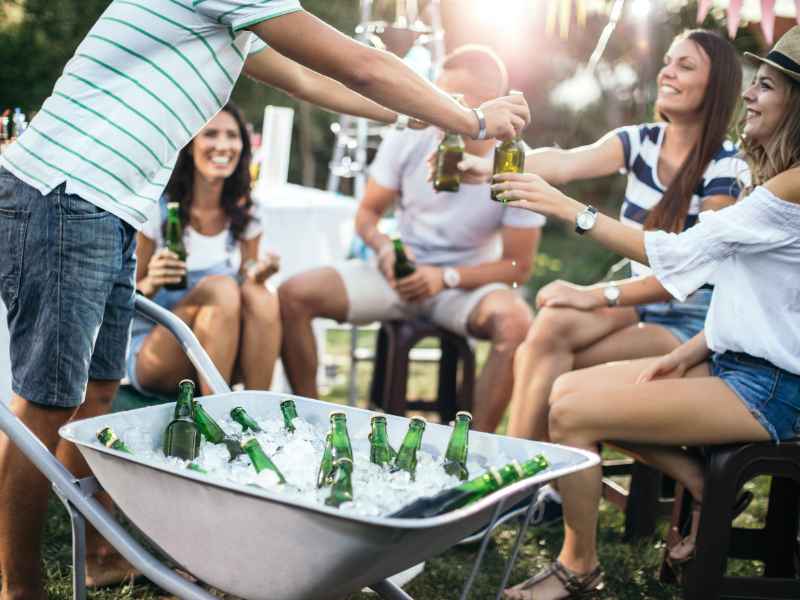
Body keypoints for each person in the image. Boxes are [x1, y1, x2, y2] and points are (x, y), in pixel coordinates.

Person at [0, 2, 531, 597]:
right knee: (46, 404)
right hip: (67, 192)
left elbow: (310, 79)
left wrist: (418, 116)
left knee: (97, 393)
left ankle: (97, 551)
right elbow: (359, 65)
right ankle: (19, 587)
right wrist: (470, 120)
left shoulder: (234, 22)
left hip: (108, 207)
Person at [493, 25, 800, 600]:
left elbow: (684, 256)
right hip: (733, 362)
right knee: (564, 392)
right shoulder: (775, 182)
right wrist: (689, 352)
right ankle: (689, 486)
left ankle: (577, 566)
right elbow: (764, 300)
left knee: (573, 414)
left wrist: (571, 211)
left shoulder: (790, 188)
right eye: (752, 84)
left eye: (766, 87)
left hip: (770, 387)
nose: (750, 97)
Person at [455, 29, 747, 521]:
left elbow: (691, 272)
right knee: (549, 328)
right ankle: (523, 480)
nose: (667, 72)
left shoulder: (727, 167)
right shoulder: (639, 142)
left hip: (691, 324)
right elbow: (564, 162)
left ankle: (518, 488)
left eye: (685, 66)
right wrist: (484, 165)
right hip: (638, 303)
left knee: (557, 365)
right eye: (668, 61)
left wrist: (596, 295)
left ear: (715, 86)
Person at [279, 45, 544, 433]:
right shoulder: (412, 133)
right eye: (435, 95)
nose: (435, 108)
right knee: (293, 294)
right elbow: (367, 214)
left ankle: (474, 447)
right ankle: (311, 426)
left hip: (463, 286)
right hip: (398, 276)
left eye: (451, 99)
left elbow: (519, 267)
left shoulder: (515, 159)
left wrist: (445, 277)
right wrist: (386, 250)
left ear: (489, 105)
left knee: (517, 322)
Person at [130, 103, 280, 397]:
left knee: (262, 295)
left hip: (217, 350)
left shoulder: (246, 211)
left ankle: (262, 413)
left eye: (232, 136)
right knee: (221, 289)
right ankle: (220, 415)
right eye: (211, 134)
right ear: (190, 145)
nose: (223, 145)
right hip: (155, 353)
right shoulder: (158, 210)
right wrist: (152, 281)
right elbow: (120, 301)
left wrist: (258, 272)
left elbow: (247, 275)